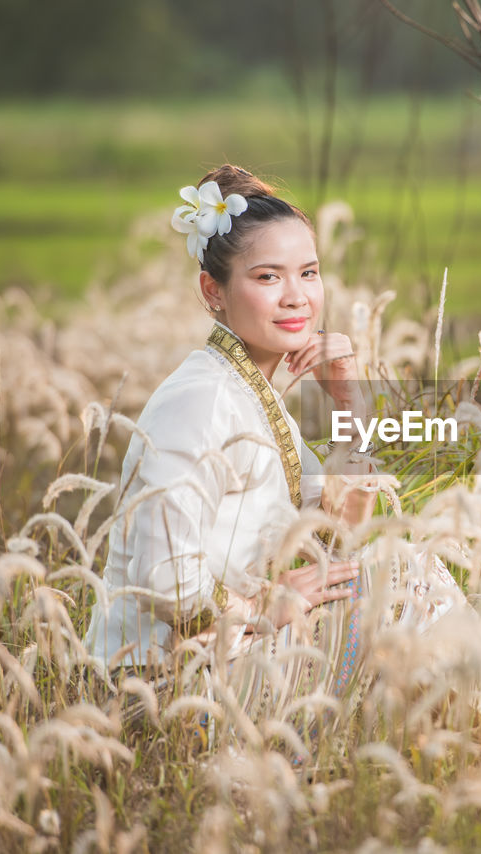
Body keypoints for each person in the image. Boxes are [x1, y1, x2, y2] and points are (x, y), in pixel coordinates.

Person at [85, 165, 382, 689]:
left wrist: (348, 404)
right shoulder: (202, 399)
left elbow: (341, 540)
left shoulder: (256, 399)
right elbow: (164, 581)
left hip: (223, 660)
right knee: (399, 593)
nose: (297, 297)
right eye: (269, 277)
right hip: (158, 685)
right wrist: (275, 601)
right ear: (213, 290)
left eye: (308, 273)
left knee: (391, 578)